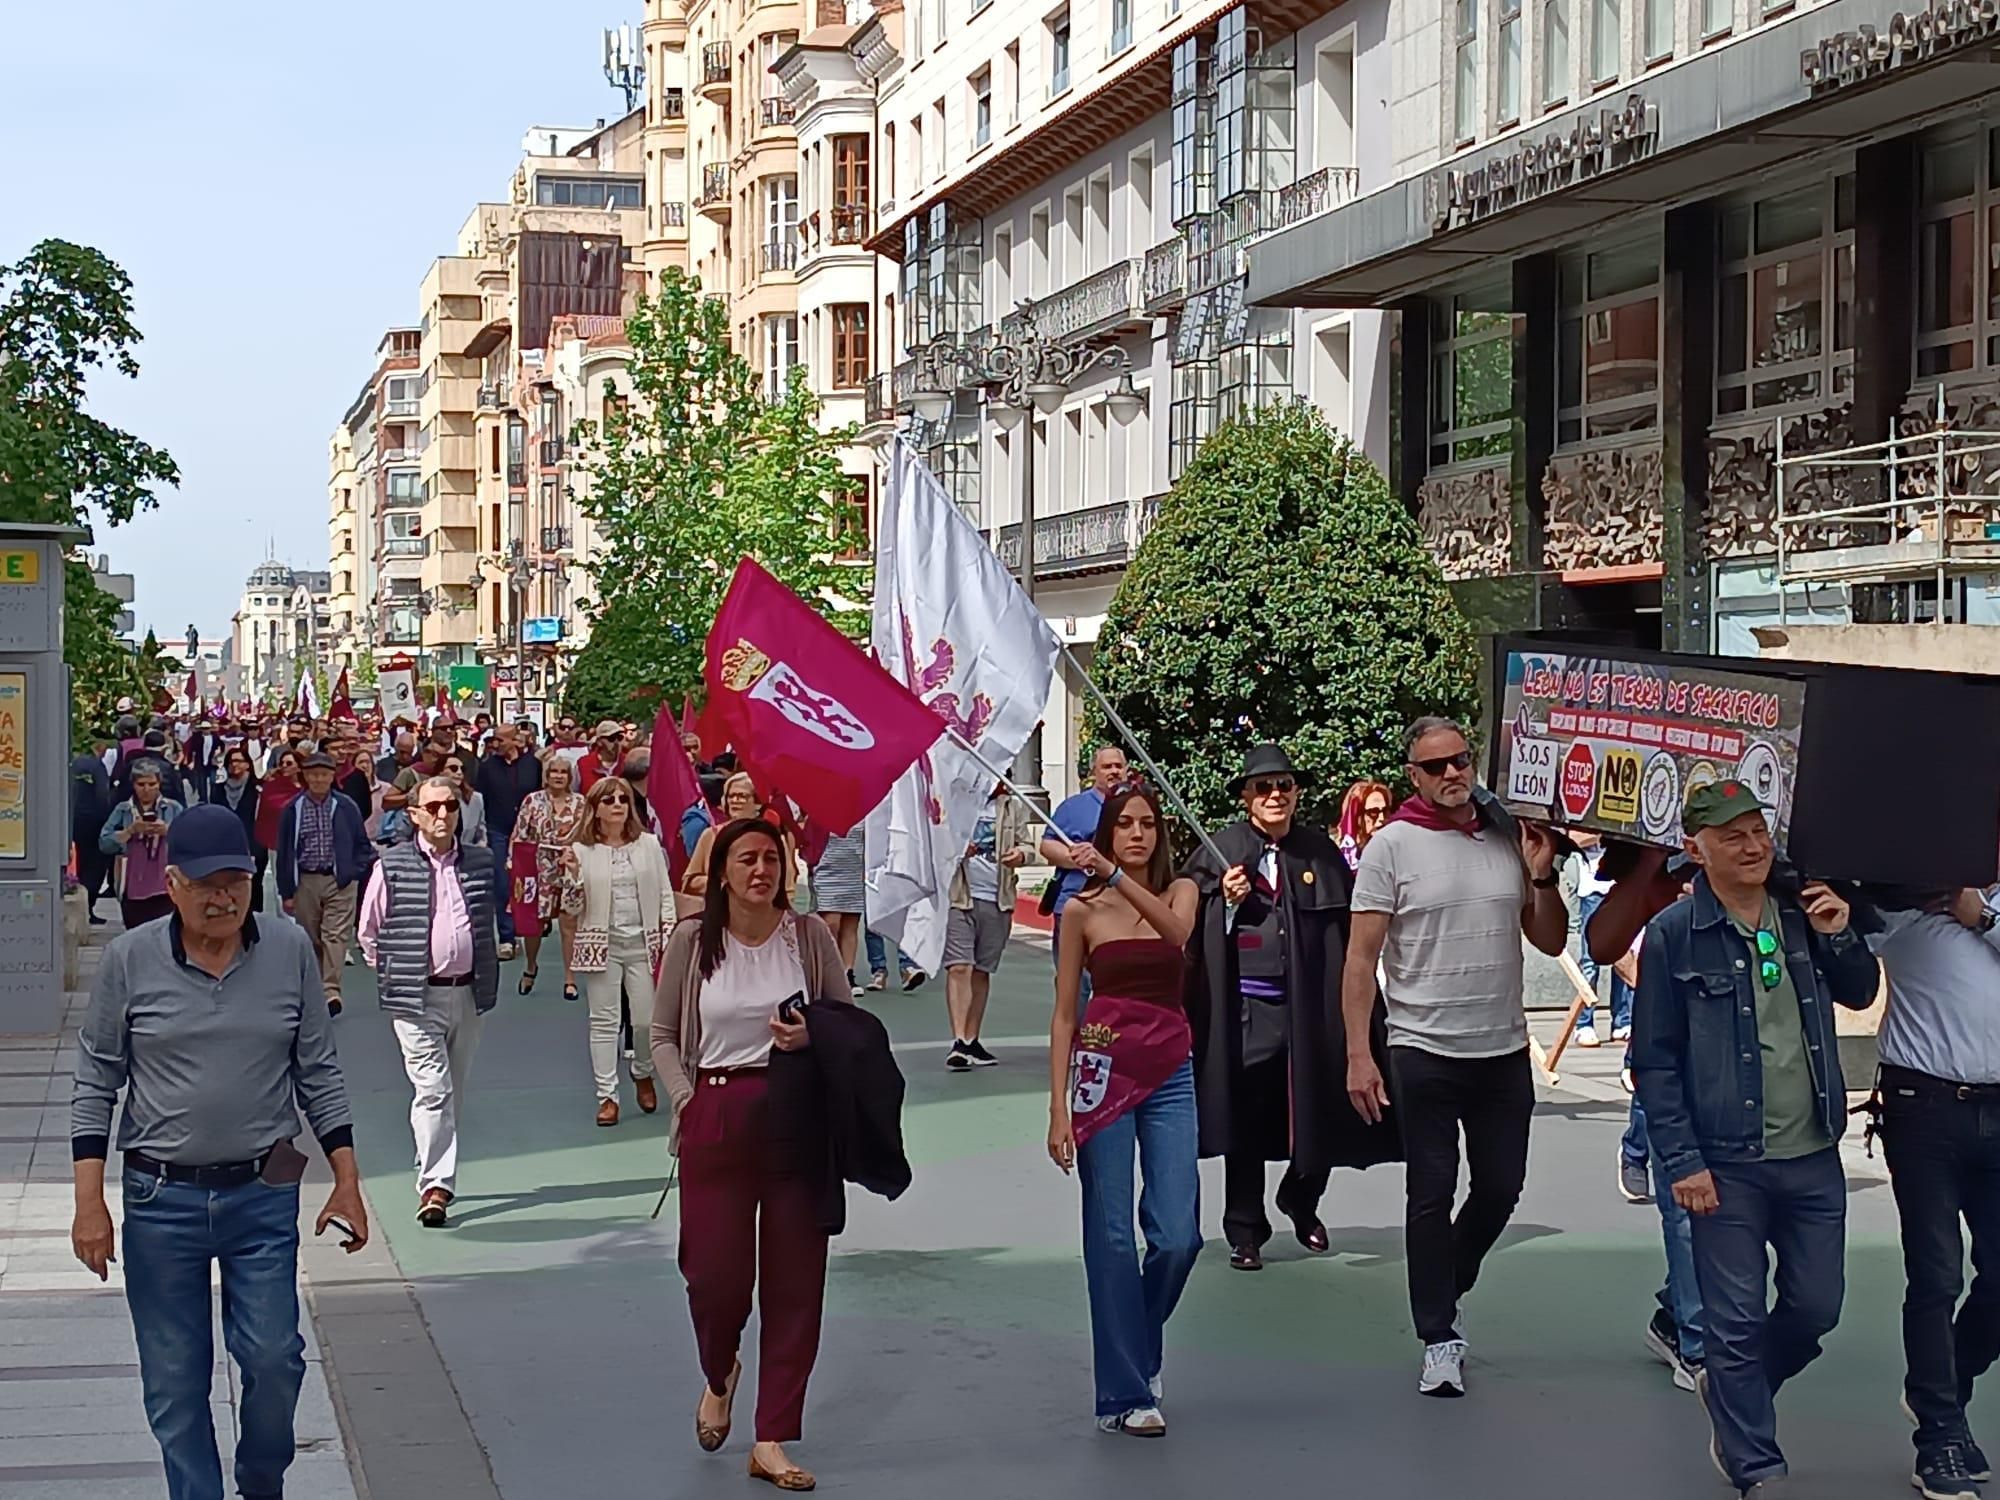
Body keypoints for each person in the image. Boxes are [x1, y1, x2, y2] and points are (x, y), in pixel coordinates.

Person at [69, 803, 369, 1500]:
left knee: (274, 1357)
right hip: (159, 1198)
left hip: (262, 1193)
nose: (222, 897)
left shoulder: (290, 948)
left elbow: (318, 1070)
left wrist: (347, 1177)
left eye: (235, 880)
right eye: (205, 883)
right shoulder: (129, 961)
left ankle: (261, 1481)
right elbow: (95, 1081)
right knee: (175, 1381)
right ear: (171, 885)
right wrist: (90, 1203)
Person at [1631, 780, 1879, 1498]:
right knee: (1734, 1324)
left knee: (1815, 1308)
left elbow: (1860, 992)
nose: (1753, 845)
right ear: (1695, 848)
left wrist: (1840, 933)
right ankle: (1756, 1464)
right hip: (1726, 1163)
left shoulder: (1803, 915)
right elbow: (1654, 1058)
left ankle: (1734, 1396)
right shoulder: (1677, 935)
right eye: (1732, 834)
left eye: (1758, 830)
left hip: (1812, 1156)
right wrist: (1681, 1160)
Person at [1342, 716, 1568, 1398]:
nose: (1451, 774)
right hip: (1422, 1047)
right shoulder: (1391, 847)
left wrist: (1544, 873)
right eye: (1434, 766)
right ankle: (1437, 1335)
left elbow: (1552, 940)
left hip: (1500, 1047)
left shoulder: (1507, 838)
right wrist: (1360, 1051)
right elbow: (1360, 958)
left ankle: (1447, 1276)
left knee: (1501, 1186)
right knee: (1430, 1192)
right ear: (1413, 775)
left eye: (1459, 761)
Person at [653, 817, 855, 1492]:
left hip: (796, 1116)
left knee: (796, 1280)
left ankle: (772, 1436)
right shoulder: (693, 941)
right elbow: (659, 1034)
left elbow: (846, 1023)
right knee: (713, 1276)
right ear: (723, 872)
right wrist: (684, 1098)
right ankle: (720, 1370)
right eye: (747, 859)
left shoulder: (809, 939)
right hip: (715, 1108)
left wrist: (810, 1041)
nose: (761, 871)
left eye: (772, 859)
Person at [1187, 744, 1398, 1271]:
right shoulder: (1220, 850)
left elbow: (1346, 934)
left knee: (1319, 1106)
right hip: (1248, 1012)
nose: (1275, 795)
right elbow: (1187, 922)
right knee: (1249, 1119)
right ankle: (1245, 1230)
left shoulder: (1318, 852)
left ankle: (1302, 1200)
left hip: (1312, 1011)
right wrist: (1224, 902)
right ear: (1246, 796)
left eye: (1284, 786)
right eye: (1264, 787)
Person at [1047, 785, 1203, 1437]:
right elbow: (1063, 1012)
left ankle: (1134, 1344)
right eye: (1123, 825)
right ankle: (1124, 1392)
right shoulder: (1081, 911)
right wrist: (1057, 1107)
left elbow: (1176, 936)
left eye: (1147, 825)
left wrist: (1115, 875)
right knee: (1110, 1236)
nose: (1136, 834)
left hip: (1170, 1070)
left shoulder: (1181, 891)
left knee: (1178, 1235)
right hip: (1101, 1071)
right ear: (1107, 832)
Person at [1866, 884, 2000, 1499]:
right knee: (1937, 1272)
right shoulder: (1900, 898)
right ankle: (1940, 1435)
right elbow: (1848, 961)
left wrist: (1984, 915)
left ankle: (1942, 1385)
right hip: (1923, 1104)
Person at [357, 773, 501, 1229]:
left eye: (450, 806)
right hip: (416, 998)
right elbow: (369, 933)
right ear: (415, 814)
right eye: (433, 807)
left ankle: (429, 1158)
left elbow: (488, 919)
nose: (443, 814)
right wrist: (397, 971)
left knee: (450, 1093)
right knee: (433, 1090)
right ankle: (436, 1186)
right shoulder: (392, 865)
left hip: (468, 992)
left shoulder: (479, 861)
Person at [564, 777, 673, 1125]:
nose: (617, 804)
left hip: (643, 943)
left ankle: (642, 1071)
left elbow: (665, 893)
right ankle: (607, 1096)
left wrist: (669, 936)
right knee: (604, 1023)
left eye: (622, 799)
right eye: (609, 799)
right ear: (595, 809)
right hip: (602, 945)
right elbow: (570, 906)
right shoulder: (582, 851)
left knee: (644, 1021)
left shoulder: (649, 845)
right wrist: (573, 876)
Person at [943, 784, 1036, 1069]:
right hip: (960, 897)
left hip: (998, 898)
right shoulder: (954, 800)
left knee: (982, 971)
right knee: (959, 966)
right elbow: (935, 844)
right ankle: (958, 1040)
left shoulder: (1011, 806)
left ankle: (971, 1039)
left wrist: (1021, 855)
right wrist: (958, 849)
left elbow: (1029, 846)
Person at [275, 752, 373, 1017]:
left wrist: (354, 871)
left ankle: (331, 990)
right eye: (313, 774)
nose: (319, 779)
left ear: (332, 776)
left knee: (335, 935)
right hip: (306, 879)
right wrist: (286, 890)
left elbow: (362, 844)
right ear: (305, 776)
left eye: (324, 774)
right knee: (312, 937)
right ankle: (315, 987)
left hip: (339, 880)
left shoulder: (345, 807)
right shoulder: (292, 809)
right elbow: (285, 851)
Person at [1040, 745, 1131, 955]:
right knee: (1074, 979)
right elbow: (1047, 845)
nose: (1114, 771)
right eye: (1106, 767)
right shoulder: (1073, 807)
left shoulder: (1137, 806)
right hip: (1076, 903)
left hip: (1121, 905)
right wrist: (1076, 859)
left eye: (1118, 766)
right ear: (1094, 772)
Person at [512, 750, 589, 1000]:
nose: (558, 776)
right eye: (553, 771)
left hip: (569, 865)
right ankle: (531, 966)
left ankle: (569, 978)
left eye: (563, 772)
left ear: (570, 777)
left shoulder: (580, 802)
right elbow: (520, 833)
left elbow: (588, 836)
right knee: (533, 924)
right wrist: (513, 860)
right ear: (546, 775)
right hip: (536, 866)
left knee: (569, 924)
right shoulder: (532, 800)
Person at [476, 723, 540, 958]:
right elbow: (480, 798)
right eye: (494, 740)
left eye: (501, 740)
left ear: (514, 740)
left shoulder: (532, 765)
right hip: (498, 829)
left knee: (528, 882)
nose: (496, 744)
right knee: (502, 882)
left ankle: (529, 929)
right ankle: (507, 936)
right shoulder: (487, 768)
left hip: (527, 831)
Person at [685, 774, 797, 903]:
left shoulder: (774, 839)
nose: (734, 800)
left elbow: (787, 889)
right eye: (730, 796)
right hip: (719, 913)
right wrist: (724, 883)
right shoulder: (710, 836)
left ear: (757, 803)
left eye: (742, 796)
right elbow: (689, 881)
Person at [102, 763, 185, 930]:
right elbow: (104, 842)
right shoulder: (124, 809)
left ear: (159, 784)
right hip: (133, 884)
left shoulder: (173, 808)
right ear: (133, 785)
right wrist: (130, 831)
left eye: (152, 784)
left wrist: (168, 831)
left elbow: (190, 839)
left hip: (164, 885)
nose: (146, 789)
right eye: (141, 784)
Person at [208, 745, 266, 914]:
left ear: (248, 764)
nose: (235, 764)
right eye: (231, 761)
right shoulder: (217, 789)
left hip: (253, 843)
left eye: (239, 761)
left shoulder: (258, 788)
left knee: (254, 885)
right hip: (226, 846)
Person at [809, 826, 867, 990]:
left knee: (850, 925)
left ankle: (848, 971)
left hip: (854, 870)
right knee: (831, 925)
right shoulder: (821, 813)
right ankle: (830, 972)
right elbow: (809, 839)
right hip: (827, 870)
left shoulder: (862, 814)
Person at [71, 746, 114, 923]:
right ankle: (88, 907)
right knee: (94, 866)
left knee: (77, 864)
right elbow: (103, 794)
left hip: (73, 820)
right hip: (96, 821)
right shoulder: (97, 766)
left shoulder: (71, 765)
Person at [254, 748, 303, 907]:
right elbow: (263, 814)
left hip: (304, 843)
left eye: (289, 763)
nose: (284, 766)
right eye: (282, 763)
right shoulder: (272, 787)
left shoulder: (308, 787)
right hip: (278, 842)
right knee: (279, 881)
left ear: (299, 766)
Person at [1334, 778, 1394, 872]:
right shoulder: (1335, 854)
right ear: (1357, 814)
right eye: (1373, 812)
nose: (1382, 818)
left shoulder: (1393, 852)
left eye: (1385, 811)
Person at [443, 751, 487, 847]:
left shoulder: (475, 799)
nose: (459, 772)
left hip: (467, 855)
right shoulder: (428, 797)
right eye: (453, 768)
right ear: (440, 772)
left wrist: (478, 849)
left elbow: (481, 834)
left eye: (462, 769)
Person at [579, 720, 625, 791]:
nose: (616, 742)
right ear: (599, 742)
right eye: (611, 738)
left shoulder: (627, 762)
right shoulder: (583, 764)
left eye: (619, 737)